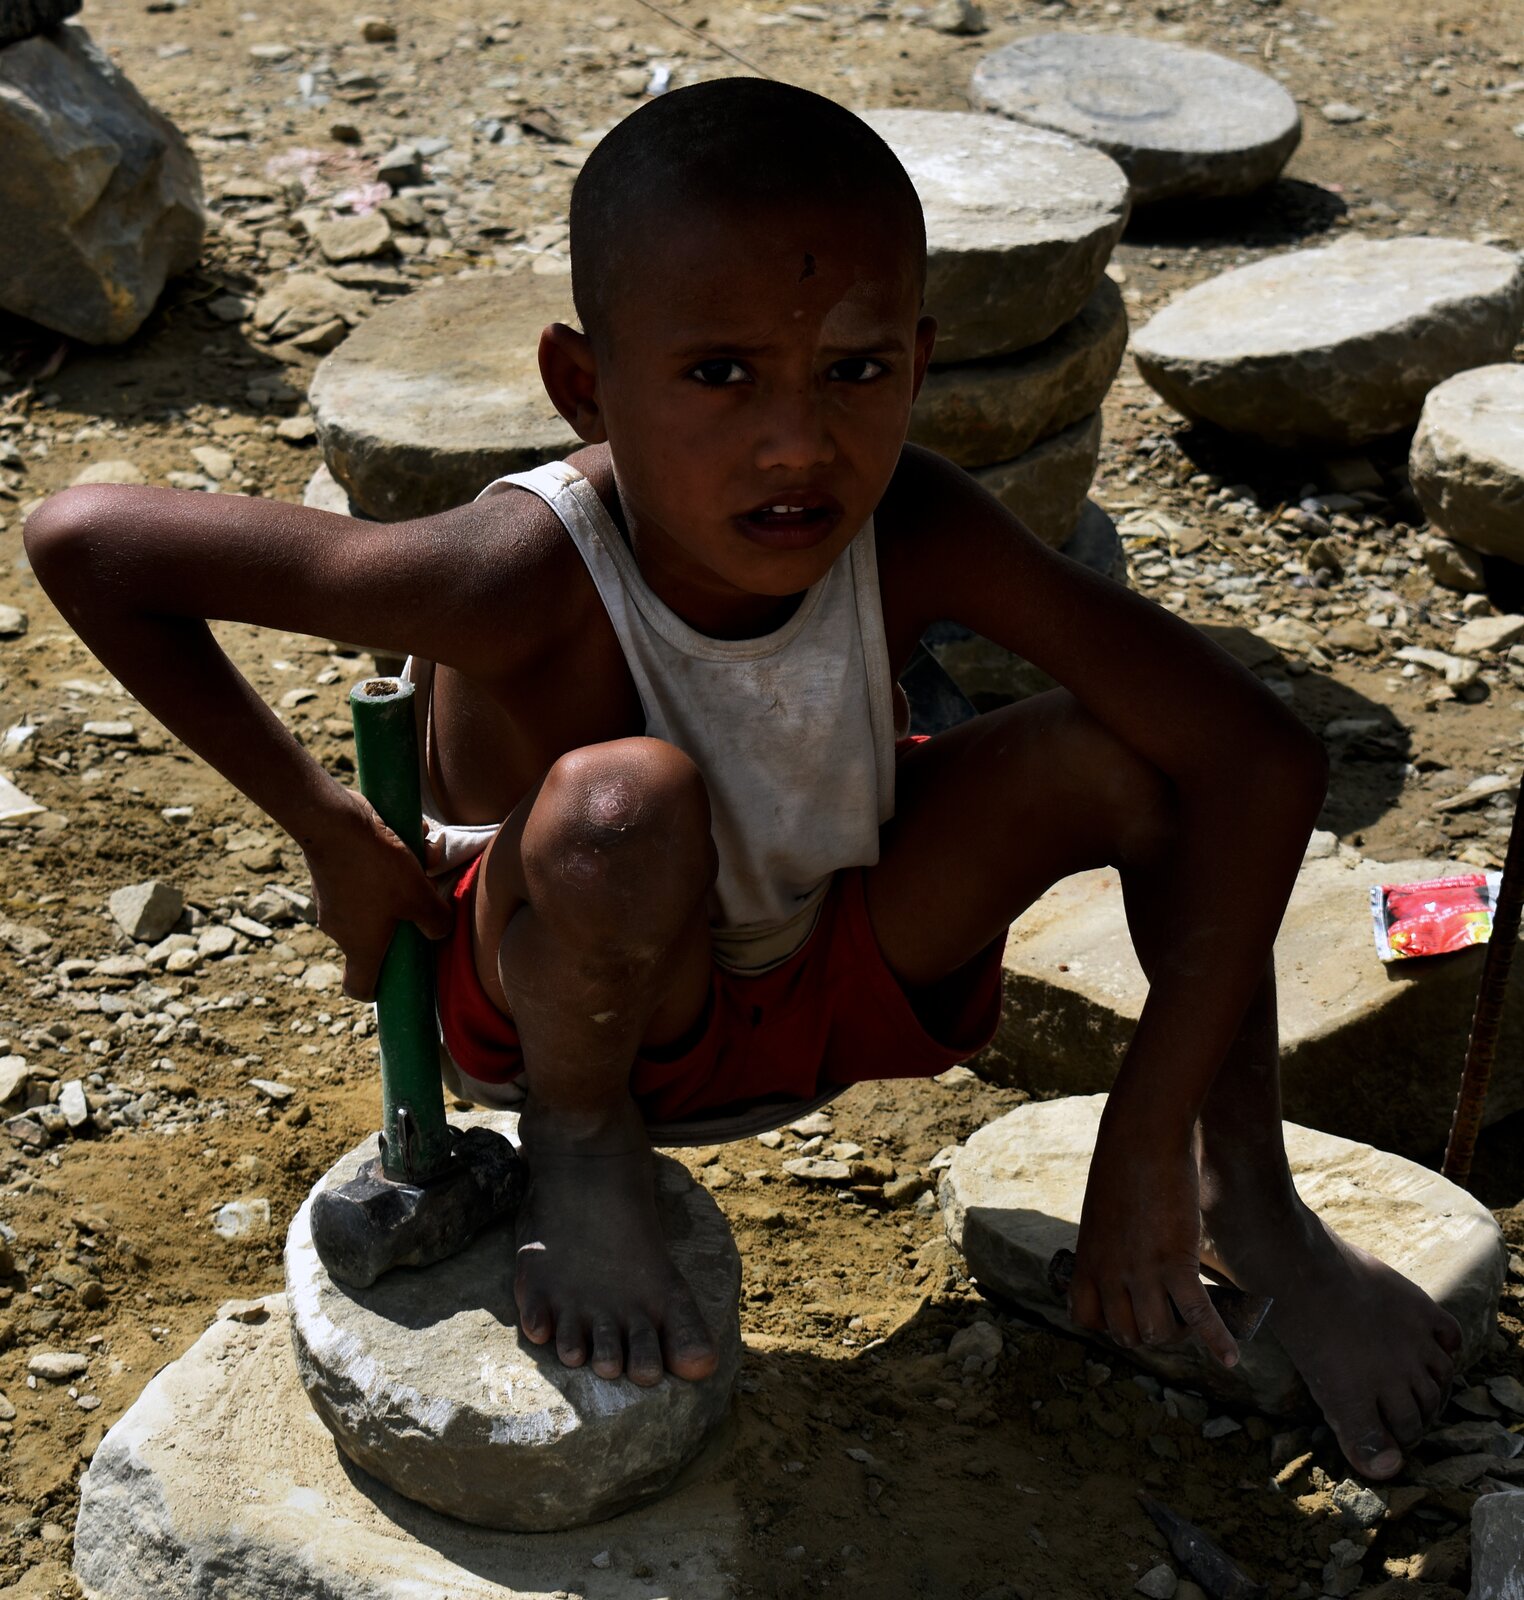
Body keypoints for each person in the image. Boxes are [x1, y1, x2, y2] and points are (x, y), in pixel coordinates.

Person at [24, 78, 1460, 1481]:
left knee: (1125, 763)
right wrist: (327, 822)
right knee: (619, 805)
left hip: (822, 957)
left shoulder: (914, 524)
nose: (798, 441)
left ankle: (1247, 1194)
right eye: (719, 374)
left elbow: (1257, 754)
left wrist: (1150, 1118)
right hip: (579, 1009)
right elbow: (87, 538)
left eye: (855, 369)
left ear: (918, 354)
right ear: (584, 383)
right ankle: (586, 1155)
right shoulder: (519, 573)